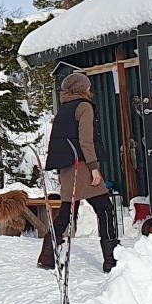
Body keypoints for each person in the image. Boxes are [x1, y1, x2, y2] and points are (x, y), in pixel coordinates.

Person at [39, 70, 119, 273]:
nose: (90, 89)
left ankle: (47, 255)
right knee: (105, 210)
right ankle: (111, 258)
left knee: (66, 213)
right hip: (82, 166)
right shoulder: (84, 107)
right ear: (82, 89)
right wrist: (94, 168)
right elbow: (86, 140)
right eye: (88, 86)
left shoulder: (63, 110)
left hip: (66, 169)